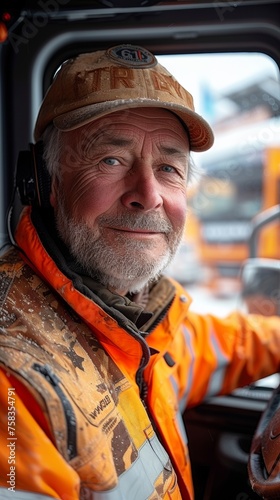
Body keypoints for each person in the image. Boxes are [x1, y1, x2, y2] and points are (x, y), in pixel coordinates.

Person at [0, 44, 279, 500]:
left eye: (169, 168)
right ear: (44, 182)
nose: (147, 194)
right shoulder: (12, 381)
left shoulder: (143, 320)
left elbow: (223, 343)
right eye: (111, 160)